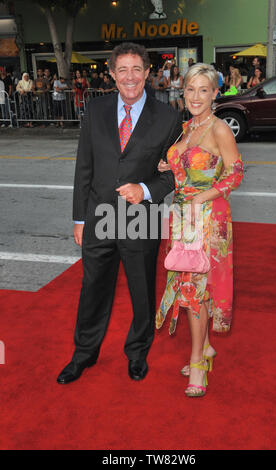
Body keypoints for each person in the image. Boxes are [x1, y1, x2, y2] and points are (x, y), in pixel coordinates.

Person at [57, 42, 182, 385]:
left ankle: (137, 353)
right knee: (93, 288)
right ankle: (83, 354)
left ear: (147, 74)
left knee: (142, 290)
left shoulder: (169, 116)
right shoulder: (95, 110)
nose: (130, 77)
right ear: (112, 74)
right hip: (97, 216)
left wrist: (144, 191)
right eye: (122, 70)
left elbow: (175, 172)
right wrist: (79, 219)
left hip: (142, 216)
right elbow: (85, 166)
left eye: (136, 69)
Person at [156, 63, 243, 397]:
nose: (195, 96)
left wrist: (201, 197)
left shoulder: (220, 128)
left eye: (203, 90)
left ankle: (196, 362)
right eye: (190, 89)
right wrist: (170, 165)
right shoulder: (187, 128)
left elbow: (235, 173)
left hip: (207, 218)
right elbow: (188, 165)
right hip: (183, 219)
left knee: (195, 289)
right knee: (188, 282)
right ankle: (205, 347)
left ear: (215, 94)